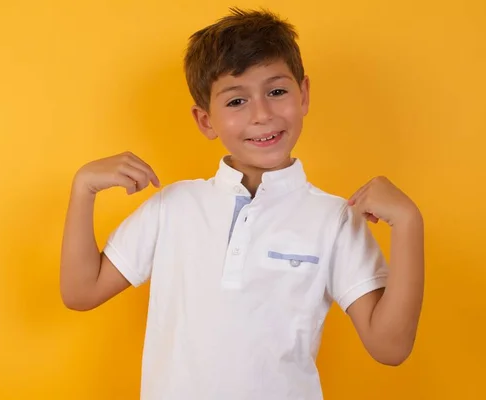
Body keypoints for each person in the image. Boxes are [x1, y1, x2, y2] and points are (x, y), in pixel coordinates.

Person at [60, 7, 424, 400]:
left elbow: (390, 348)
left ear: (303, 95)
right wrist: (83, 189)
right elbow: (82, 292)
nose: (262, 114)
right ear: (205, 121)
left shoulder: (334, 219)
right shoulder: (173, 207)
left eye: (277, 91)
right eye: (236, 102)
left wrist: (408, 223)